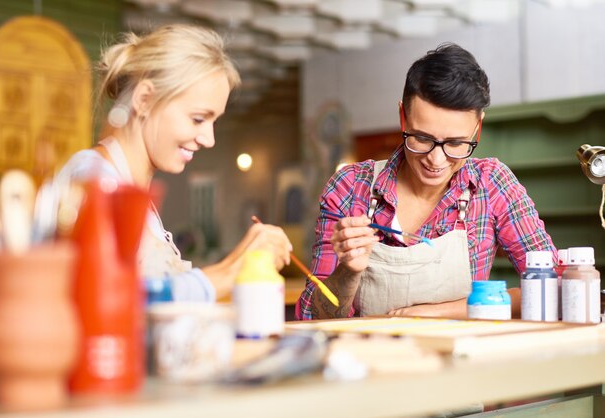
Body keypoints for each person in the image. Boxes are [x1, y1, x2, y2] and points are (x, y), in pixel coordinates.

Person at [296, 43, 557, 320]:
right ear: (403, 117)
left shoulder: (492, 184)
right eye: (422, 138)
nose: (436, 159)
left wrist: (438, 312)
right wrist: (347, 271)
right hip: (371, 357)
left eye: (456, 143)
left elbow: (553, 288)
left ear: (477, 128)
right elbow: (314, 318)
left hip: (465, 360)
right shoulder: (350, 187)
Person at [57, 24, 292, 302]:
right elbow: (112, 300)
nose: (209, 139)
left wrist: (237, 264)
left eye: (214, 121)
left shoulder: (132, 190)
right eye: (198, 119)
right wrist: (233, 269)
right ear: (144, 99)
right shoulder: (93, 178)